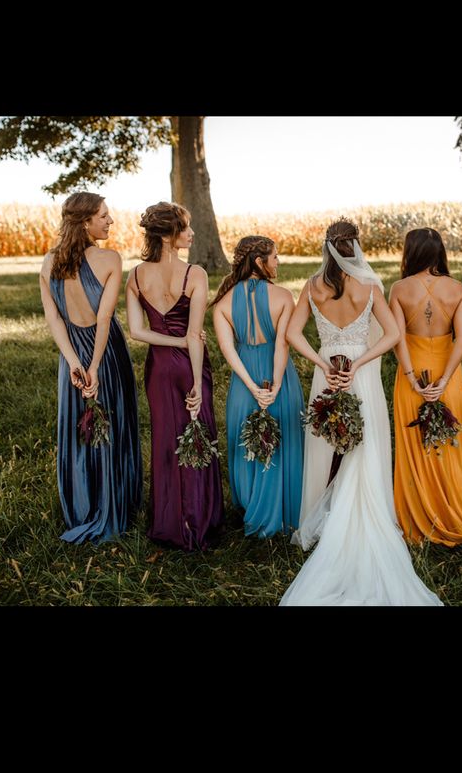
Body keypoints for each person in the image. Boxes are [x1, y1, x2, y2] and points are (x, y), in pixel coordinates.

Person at [280, 217, 442, 605]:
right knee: (365, 444)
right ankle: (365, 513)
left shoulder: (313, 286)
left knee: (324, 442)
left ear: (327, 247)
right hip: (360, 371)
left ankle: (316, 521)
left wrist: (323, 365)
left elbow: (291, 334)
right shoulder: (369, 285)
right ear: (356, 247)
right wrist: (361, 361)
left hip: (328, 370)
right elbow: (392, 335)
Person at [39, 192, 142, 543]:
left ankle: (82, 506)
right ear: (85, 222)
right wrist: (95, 366)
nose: (110, 221)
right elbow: (104, 317)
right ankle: (114, 505)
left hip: (71, 356)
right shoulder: (110, 259)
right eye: (104, 216)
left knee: (78, 430)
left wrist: (73, 363)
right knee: (111, 425)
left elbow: (54, 318)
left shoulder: (47, 262)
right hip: (105, 354)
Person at [125, 201, 222, 551]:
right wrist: (196, 381)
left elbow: (137, 331)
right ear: (169, 234)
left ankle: (168, 521)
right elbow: (195, 336)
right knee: (197, 434)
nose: (192, 233)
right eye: (186, 227)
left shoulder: (136, 275)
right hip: (187, 365)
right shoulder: (195, 273)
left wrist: (172, 340)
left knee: (167, 440)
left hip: (159, 368)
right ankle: (199, 521)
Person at [388, 228, 462, 546]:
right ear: (440, 253)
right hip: (446, 378)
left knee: (413, 449)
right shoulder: (456, 289)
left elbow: (397, 338)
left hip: (412, 378)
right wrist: (444, 380)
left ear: (409, 252)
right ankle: (452, 515)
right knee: (450, 448)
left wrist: (412, 378)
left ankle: (416, 520)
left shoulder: (399, 288)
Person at [212, 236, 304, 537]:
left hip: (245, 383)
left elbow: (229, 353)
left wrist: (252, 387)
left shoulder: (223, 302)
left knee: (245, 442)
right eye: (275, 257)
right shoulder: (283, 297)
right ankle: (284, 512)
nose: (278, 262)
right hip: (278, 379)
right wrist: (275, 385)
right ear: (259, 262)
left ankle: (251, 507)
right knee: (284, 438)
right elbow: (282, 345)